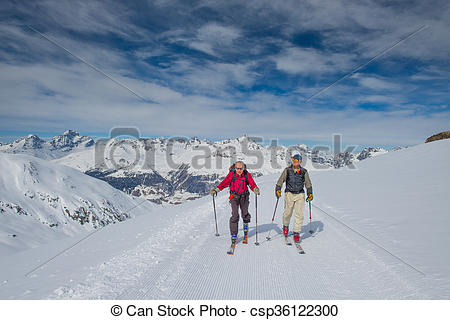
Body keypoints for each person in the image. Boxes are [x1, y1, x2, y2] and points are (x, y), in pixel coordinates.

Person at [210, 161, 260, 246]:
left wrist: (255, 189)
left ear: (243, 168)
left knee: (245, 214)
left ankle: (245, 231)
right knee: (235, 215)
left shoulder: (246, 174)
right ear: (235, 168)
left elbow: (252, 183)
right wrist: (216, 190)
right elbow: (224, 183)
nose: (239, 170)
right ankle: (234, 235)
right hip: (233, 197)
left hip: (244, 196)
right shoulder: (232, 174)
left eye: (241, 168)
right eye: (237, 168)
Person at [275, 154, 313, 243]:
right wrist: (278, 189)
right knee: (287, 212)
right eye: (293, 160)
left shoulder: (304, 171)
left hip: (300, 194)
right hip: (289, 194)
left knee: (299, 214)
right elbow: (280, 180)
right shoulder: (287, 170)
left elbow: (308, 183)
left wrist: (310, 193)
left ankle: (296, 232)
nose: (294, 162)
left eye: (296, 160)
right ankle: (285, 226)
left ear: (300, 161)